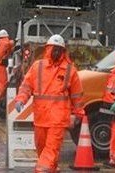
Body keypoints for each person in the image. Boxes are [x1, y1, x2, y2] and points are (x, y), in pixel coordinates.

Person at [14, 34, 85, 173]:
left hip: (58, 119)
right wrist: (21, 99)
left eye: (59, 49)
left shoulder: (70, 70)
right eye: (54, 48)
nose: (56, 52)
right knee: (41, 149)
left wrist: (78, 114)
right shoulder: (38, 66)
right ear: (48, 49)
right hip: (41, 118)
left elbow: (77, 95)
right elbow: (27, 86)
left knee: (50, 150)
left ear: (64, 51)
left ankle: (43, 170)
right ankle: (51, 169)